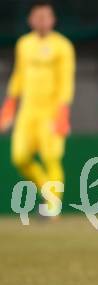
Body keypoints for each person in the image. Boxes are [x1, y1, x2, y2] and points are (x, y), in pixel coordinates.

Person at [0, 1, 75, 215]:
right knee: (20, 157)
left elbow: (66, 81)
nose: (42, 21)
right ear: (30, 20)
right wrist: (9, 105)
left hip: (51, 111)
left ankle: (52, 207)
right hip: (28, 111)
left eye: (46, 16)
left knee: (51, 157)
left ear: (53, 20)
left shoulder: (63, 46)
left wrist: (62, 112)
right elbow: (18, 76)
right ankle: (46, 189)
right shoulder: (23, 44)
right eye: (38, 17)